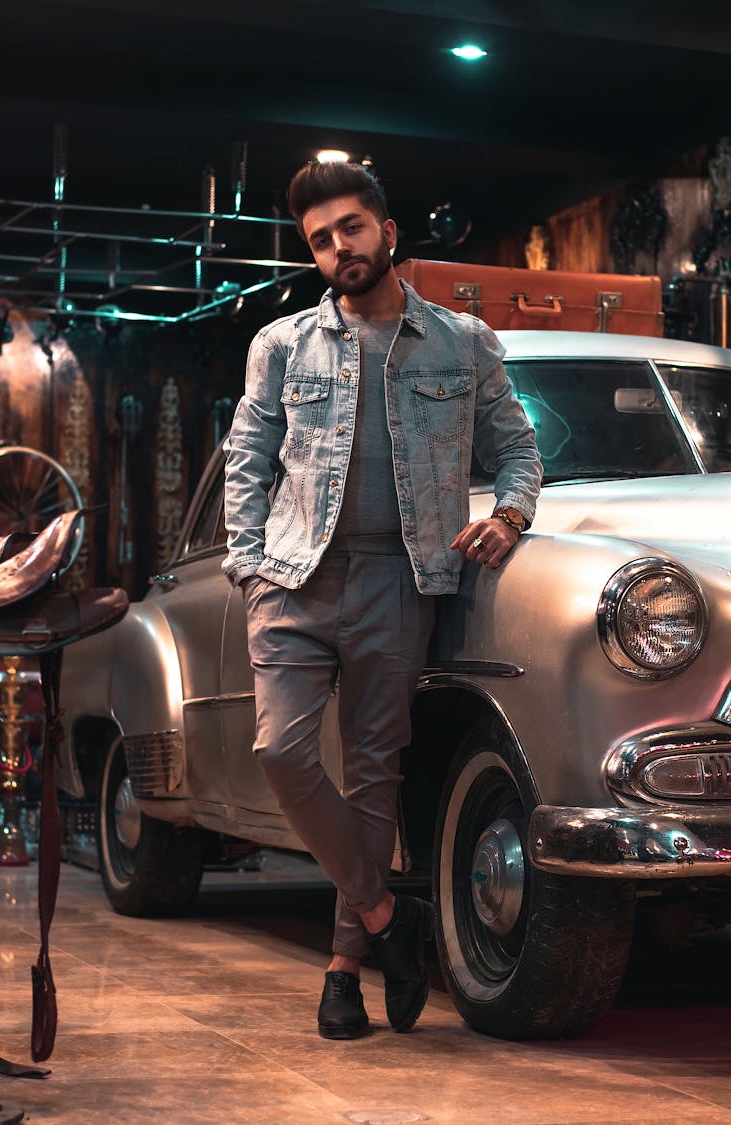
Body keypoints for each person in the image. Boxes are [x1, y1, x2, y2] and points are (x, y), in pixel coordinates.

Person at [223, 161, 542, 1039]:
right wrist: (249, 565)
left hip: (400, 581)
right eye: (321, 239)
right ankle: (384, 914)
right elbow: (248, 461)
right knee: (280, 752)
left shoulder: (461, 341)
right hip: (292, 579)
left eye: (352, 228)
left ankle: (342, 973)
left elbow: (518, 451)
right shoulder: (282, 344)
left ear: (388, 230)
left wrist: (510, 515)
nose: (338, 249)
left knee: (374, 778)